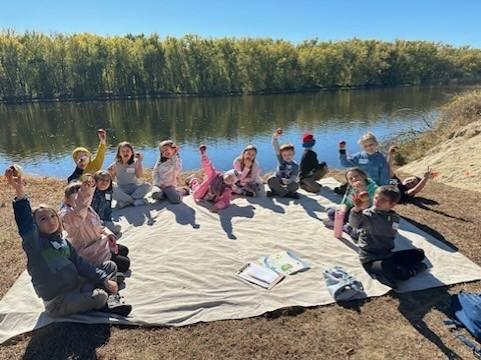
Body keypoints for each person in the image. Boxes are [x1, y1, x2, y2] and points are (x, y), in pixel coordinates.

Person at [5, 165, 131, 317]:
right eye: (43, 219)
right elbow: (24, 223)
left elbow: (81, 264)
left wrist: (103, 278)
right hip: (59, 301)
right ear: (35, 225)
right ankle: (106, 297)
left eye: (52, 216)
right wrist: (19, 192)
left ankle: (101, 289)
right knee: (100, 296)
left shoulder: (63, 242)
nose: (51, 221)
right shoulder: (36, 244)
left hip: (76, 284)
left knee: (109, 266)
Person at [349, 185, 427, 288]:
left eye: (383, 200)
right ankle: (411, 271)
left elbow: (390, 235)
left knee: (419, 253)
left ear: (392, 204)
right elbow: (355, 224)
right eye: (376, 198)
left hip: (387, 254)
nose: (377, 201)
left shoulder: (394, 217)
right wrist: (357, 209)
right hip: (371, 258)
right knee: (391, 271)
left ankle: (397, 267)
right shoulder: (369, 215)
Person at [59, 175, 131, 274]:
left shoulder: (89, 209)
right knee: (125, 264)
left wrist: (108, 234)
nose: (78, 194)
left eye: (79, 190)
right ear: (66, 199)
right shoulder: (68, 215)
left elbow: (99, 226)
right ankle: (103, 273)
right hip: (90, 252)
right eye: (74, 192)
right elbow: (81, 206)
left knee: (124, 250)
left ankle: (109, 267)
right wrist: (85, 190)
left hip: (100, 244)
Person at [324, 168, 378, 236]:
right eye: (351, 178)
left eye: (356, 176)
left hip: (367, 217)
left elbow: (366, 208)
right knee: (331, 212)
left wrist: (362, 190)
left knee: (357, 233)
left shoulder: (375, 189)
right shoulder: (351, 187)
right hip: (353, 212)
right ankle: (341, 223)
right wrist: (341, 214)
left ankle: (344, 225)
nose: (354, 179)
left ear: (363, 176)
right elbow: (346, 202)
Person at [188, 144, 238, 212]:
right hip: (202, 192)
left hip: (212, 198)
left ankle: (196, 180)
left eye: (231, 180)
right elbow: (208, 166)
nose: (228, 179)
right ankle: (193, 180)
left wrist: (217, 206)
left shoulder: (227, 189)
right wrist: (204, 155)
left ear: (232, 183)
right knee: (195, 188)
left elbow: (225, 201)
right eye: (229, 176)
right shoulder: (214, 175)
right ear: (225, 174)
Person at [108, 141, 152, 208]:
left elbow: (139, 176)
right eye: (123, 151)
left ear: (132, 153)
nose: (125, 153)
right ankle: (133, 201)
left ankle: (125, 201)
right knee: (110, 190)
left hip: (134, 187)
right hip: (122, 188)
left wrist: (139, 162)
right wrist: (110, 173)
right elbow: (111, 180)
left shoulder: (136, 162)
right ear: (119, 153)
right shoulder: (115, 165)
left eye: (127, 151)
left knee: (148, 185)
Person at [151, 140, 189, 204]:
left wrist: (174, 155)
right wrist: (160, 183)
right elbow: (155, 173)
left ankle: (182, 190)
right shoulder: (160, 162)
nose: (165, 152)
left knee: (176, 200)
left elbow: (178, 169)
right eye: (162, 151)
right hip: (159, 185)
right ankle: (165, 195)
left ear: (173, 149)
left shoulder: (176, 160)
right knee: (155, 195)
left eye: (166, 149)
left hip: (169, 185)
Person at [267, 129, 300, 199]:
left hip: (288, 183)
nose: (287, 156)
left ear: (293, 154)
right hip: (278, 181)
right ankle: (286, 193)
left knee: (295, 185)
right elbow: (276, 148)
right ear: (282, 155)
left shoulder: (295, 165)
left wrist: (289, 181)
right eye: (285, 155)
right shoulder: (281, 160)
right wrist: (275, 138)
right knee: (271, 179)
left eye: (289, 154)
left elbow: (294, 176)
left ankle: (278, 192)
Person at [91, 170, 121, 235]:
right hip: (90, 222)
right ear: (96, 181)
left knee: (117, 228)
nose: (104, 182)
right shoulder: (90, 193)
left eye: (107, 181)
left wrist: (109, 222)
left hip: (102, 221)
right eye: (101, 180)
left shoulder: (109, 193)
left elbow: (108, 210)